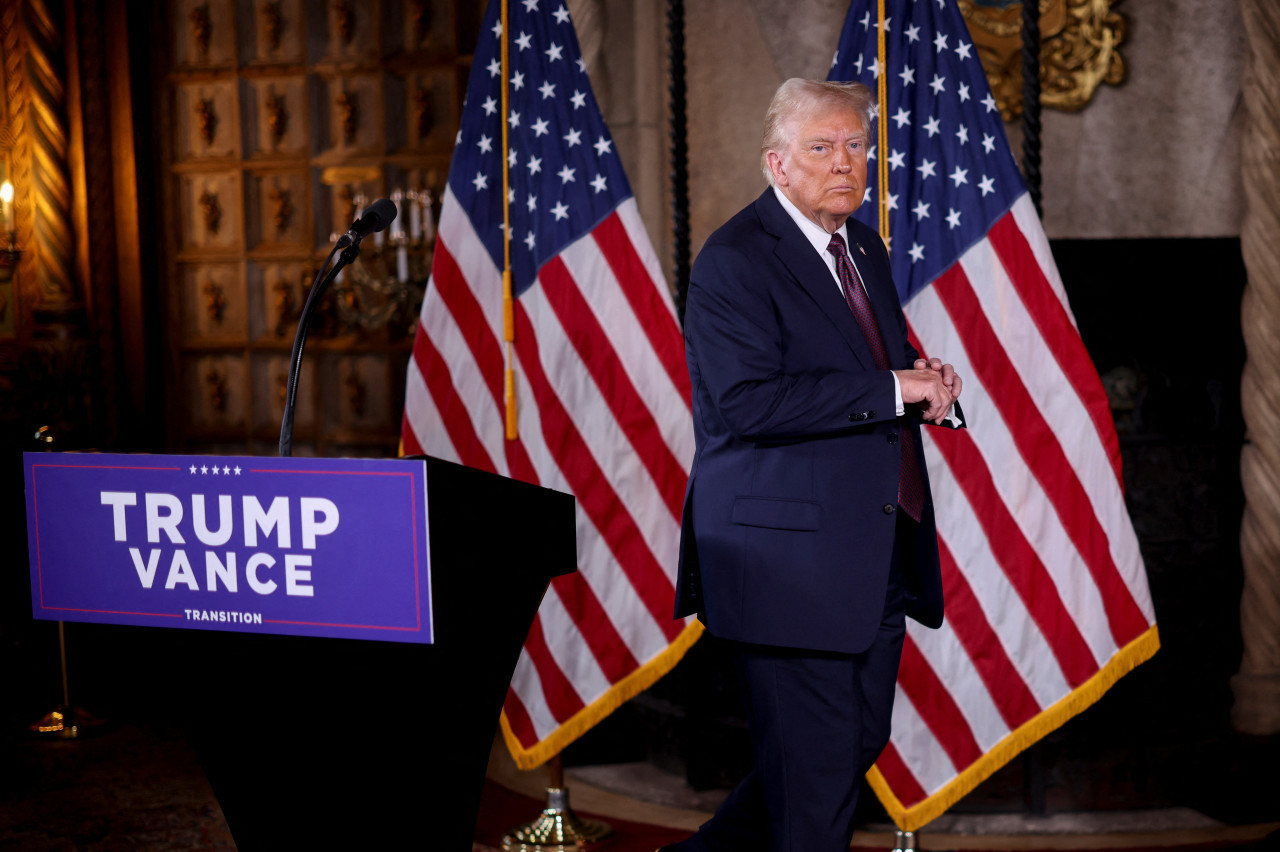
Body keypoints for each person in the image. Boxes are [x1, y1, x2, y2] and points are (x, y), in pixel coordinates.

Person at [666, 78, 965, 852]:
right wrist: (887, 386)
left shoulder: (861, 244)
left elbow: (871, 368)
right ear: (778, 164)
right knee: (818, 782)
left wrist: (925, 385)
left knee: (840, 755)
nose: (846, 164)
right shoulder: (735, 260)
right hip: (784, 561)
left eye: (857, 146)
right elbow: (748, 405)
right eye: (822, 148)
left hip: (872, 550)